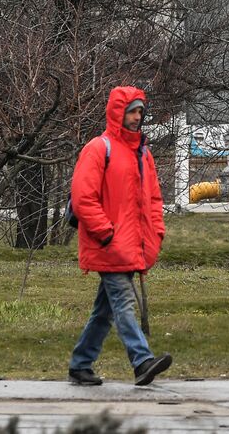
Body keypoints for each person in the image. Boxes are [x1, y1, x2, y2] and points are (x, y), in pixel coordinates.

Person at [67, 86, 172, 387]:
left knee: (105, 311)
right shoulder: (99, 148)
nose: (137, 117)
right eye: (132, 111)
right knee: (124, 301)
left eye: (140, 111)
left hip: (130, 245)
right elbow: (82, 198)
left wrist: (157, 232)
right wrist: (105, 233)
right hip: (109, 245)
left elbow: (153, 199)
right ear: (118, 113)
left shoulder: (143, 154)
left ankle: (80, 364)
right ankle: (142, 362)